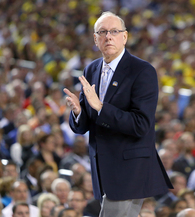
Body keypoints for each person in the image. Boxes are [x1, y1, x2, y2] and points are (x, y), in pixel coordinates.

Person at [63, 11, 172, 216]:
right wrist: (79, 112)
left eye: (114, 31)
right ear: (95, 39)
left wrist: (102, 108)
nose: (108, 36)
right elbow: (83, 125)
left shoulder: (142, 70)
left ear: (125, 36)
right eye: (102, 32)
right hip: (102, 168)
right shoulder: (91, 70)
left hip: (129, 169)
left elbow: (141, 124)